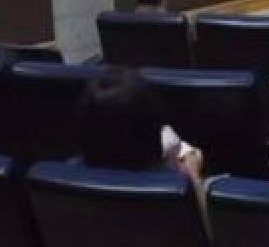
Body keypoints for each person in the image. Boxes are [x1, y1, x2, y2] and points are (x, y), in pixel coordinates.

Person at [76, 68, 209, 232]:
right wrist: (194, 177)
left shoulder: (63, 183)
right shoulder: (175, 191)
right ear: (153, 125)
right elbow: (209, 238)